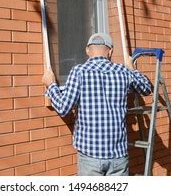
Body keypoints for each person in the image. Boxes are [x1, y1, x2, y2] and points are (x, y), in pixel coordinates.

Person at [42, 33, 151, 176]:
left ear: (87, 51)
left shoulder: (79, 72)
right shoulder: (123, 71)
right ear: (111, 51)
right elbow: (146, 88)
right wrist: (131, 68)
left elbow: (63, 108)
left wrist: (51, 85)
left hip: (90, 156)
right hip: (118, 156)